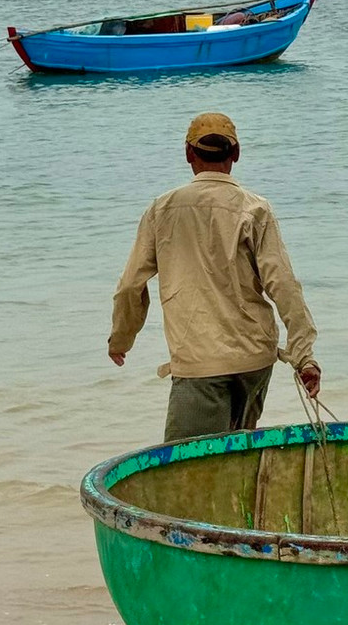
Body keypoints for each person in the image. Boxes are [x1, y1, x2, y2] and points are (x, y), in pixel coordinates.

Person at [109, 112, 322, 441]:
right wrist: (303, 356)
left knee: (185, 473)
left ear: (188, 154)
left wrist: (122, 338)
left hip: (200, 362)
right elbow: (283, 285)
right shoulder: (256, 208)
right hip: (255, 361)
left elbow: (129, 287)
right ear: (235, 155)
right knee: (233, 460)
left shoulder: (162, 210)